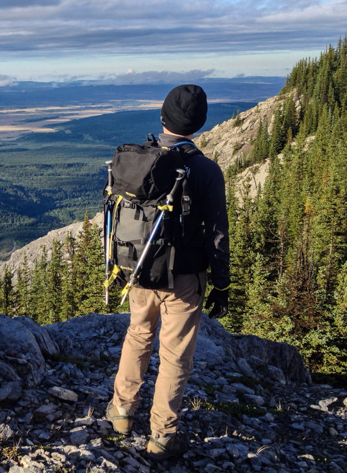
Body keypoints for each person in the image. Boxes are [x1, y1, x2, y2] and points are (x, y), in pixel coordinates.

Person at [105, 84, 230, 461]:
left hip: (140, 269)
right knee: (175, 355)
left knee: (138, 334)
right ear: (200, 123)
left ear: (163, 117)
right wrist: (222, 284)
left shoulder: (141, 162)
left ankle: (122, 411)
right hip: (185, 278)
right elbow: (218, 232)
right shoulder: (206, 170)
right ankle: (162, 435)